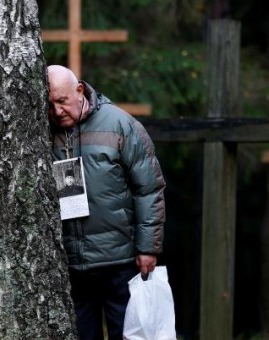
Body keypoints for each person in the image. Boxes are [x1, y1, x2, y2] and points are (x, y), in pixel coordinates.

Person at [47, 65, 166, 340]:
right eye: (50, 104)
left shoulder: (120, 124)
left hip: (121, 261)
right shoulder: (42, 131)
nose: (56, 111)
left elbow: (149, 188)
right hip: (71, 266)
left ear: (79, 91)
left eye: (62, 101)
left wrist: (148, 247)